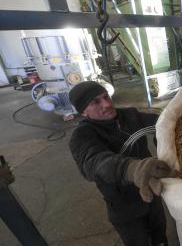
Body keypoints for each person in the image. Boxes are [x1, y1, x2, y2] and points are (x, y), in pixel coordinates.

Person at [68, 81, 175, 246]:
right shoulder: (82, 135)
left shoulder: (129, 115)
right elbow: (94, 163)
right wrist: (133, 169)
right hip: (125, 207)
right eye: (95, 102)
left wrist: (165, 136)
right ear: (83, 111)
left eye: (106, 97)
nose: (107, 104)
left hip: (151, 194)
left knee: (159, 234)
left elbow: (161, 123)